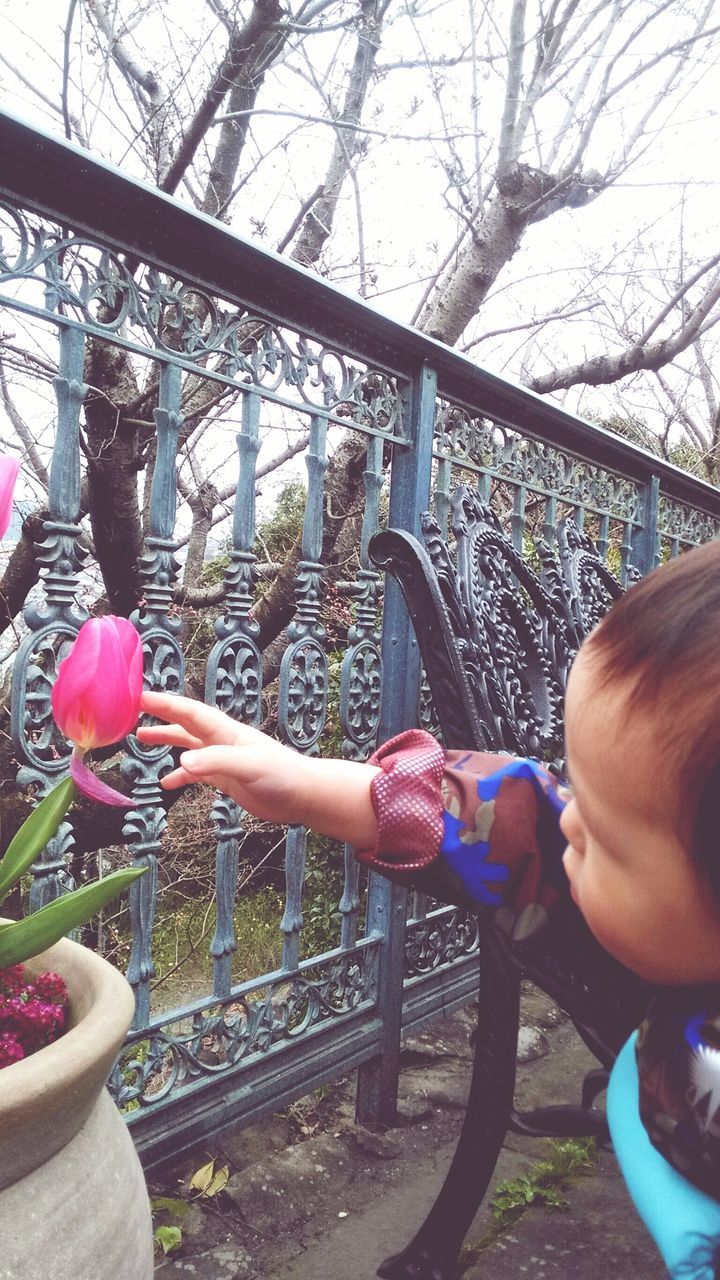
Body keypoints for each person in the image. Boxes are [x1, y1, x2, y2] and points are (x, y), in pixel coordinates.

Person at [138, 538, 720, 1280]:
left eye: (606, 835)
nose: (572, 820)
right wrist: (309, 784)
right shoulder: (655, 909)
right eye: (580, 789)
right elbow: (522, 823)